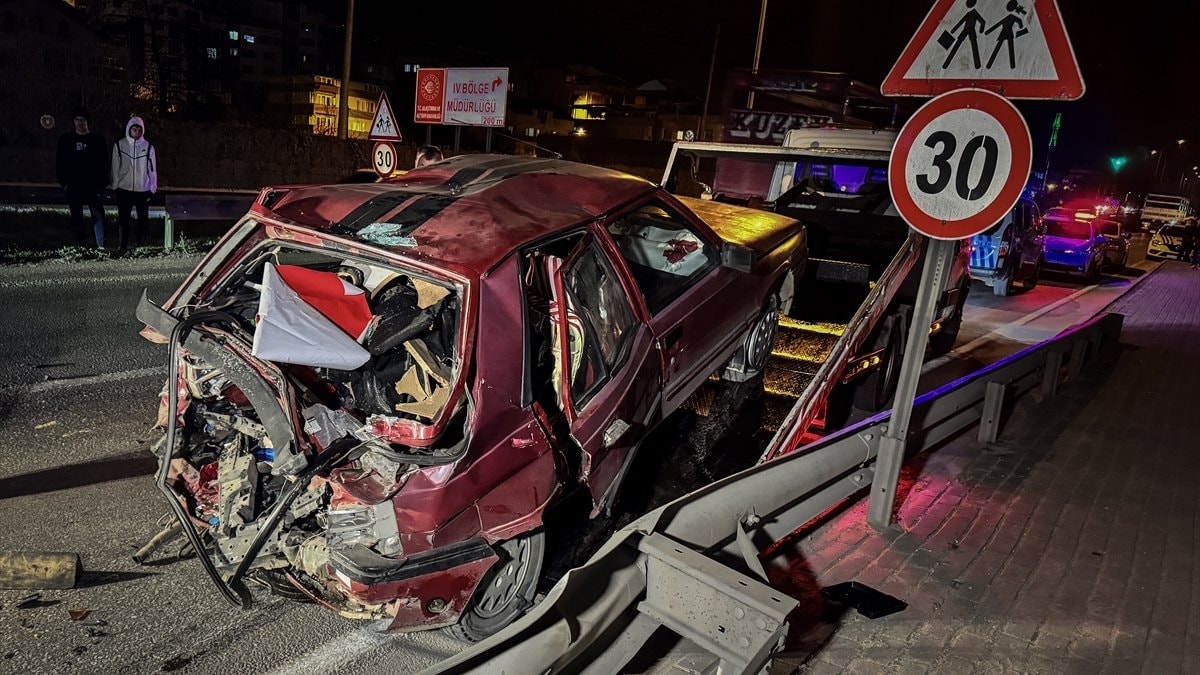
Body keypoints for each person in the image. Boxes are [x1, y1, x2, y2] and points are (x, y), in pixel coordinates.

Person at [55, 106, 108, 249]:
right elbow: (60, 162)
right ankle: (81, 246)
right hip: (73, 184)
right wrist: (64, 182)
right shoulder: (66, 140)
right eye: (77, 119)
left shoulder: (97, 140)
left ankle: (101, 246)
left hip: (93, 185)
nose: (80, 122)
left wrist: (102, 184)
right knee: (76, 217)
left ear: (87, 121)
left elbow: (104, 163)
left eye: (82, 119)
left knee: (98, 215)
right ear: (73, 121)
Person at [110, 115, 158, 252]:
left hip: (142, 189)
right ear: (129, 129)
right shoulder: (120, 145)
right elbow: (115, 166)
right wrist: (115, 185)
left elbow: (152, 168)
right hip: (124, 188)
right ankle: (122, 246)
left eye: (139, 130)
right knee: (123, 219)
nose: (136, 132)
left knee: (143, 219)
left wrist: (152, 186)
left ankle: (140, 246)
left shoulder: (148, 147)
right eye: (134, 129)